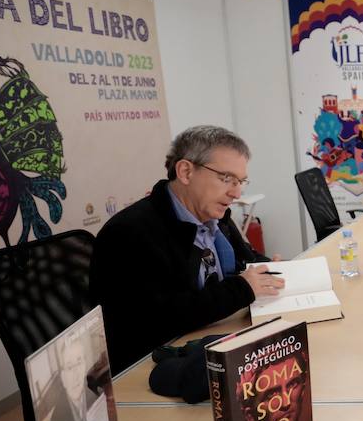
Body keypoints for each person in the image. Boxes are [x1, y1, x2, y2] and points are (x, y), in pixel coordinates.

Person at [90, 126, 281, 371]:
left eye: (240, 181)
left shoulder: (214, 215)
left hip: (210, 342)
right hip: (149, 367)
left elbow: (244, 258)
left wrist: (269, 268)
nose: (236, 192)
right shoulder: (129, 233)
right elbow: (162, 318)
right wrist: (242, 288)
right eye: (226, 179)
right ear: (186, 171)